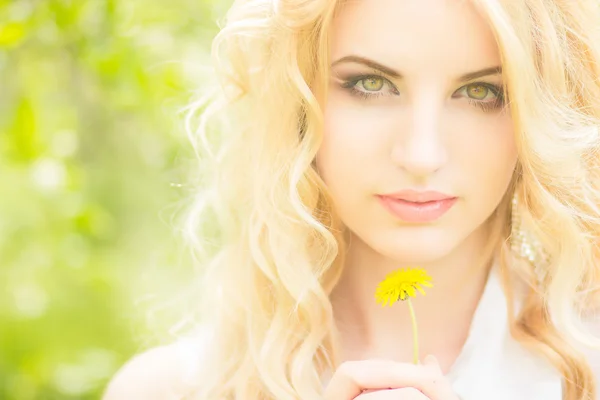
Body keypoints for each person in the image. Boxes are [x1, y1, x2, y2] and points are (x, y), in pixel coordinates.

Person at [103, 0, 600, 398]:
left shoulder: (587, 367)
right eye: (370, 84)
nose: (421, 154)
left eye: (480, 92)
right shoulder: (173, 389)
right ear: (300, 101)